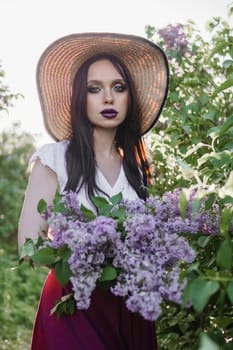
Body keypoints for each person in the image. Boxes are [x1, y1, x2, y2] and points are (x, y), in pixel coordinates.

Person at [18, 32, 169, 350]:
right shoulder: (54, 158)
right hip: (72, 304)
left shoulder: (136, 170)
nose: (109, 98)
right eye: (94, 89)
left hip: (131, 307)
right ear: (79, 97)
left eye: (118, 87)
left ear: (129, 96)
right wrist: (86, 259)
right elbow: (28, 246)